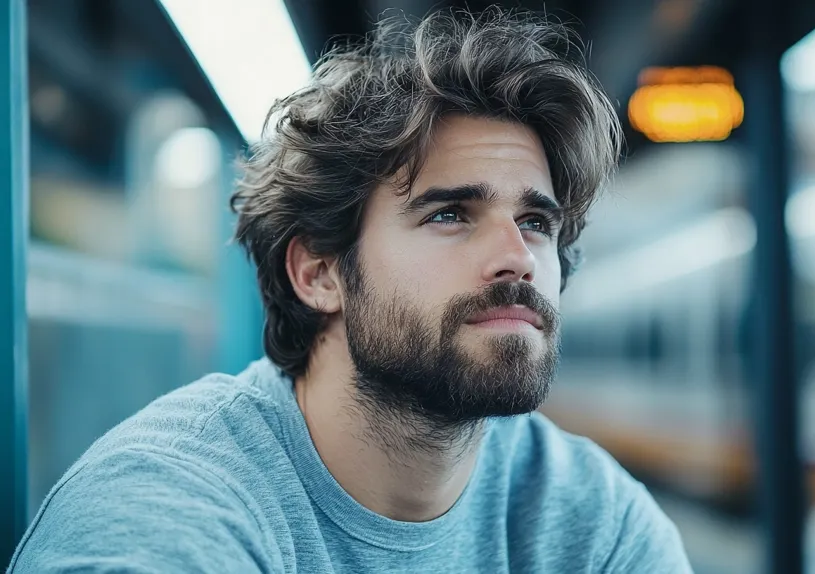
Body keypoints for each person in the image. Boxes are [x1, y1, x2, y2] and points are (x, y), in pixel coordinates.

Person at [10, 8, 692, 573]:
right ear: (318, 273)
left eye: (536, 222)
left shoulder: (588, 518)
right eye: (450, 214)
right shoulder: (165, 512)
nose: (517, 258)